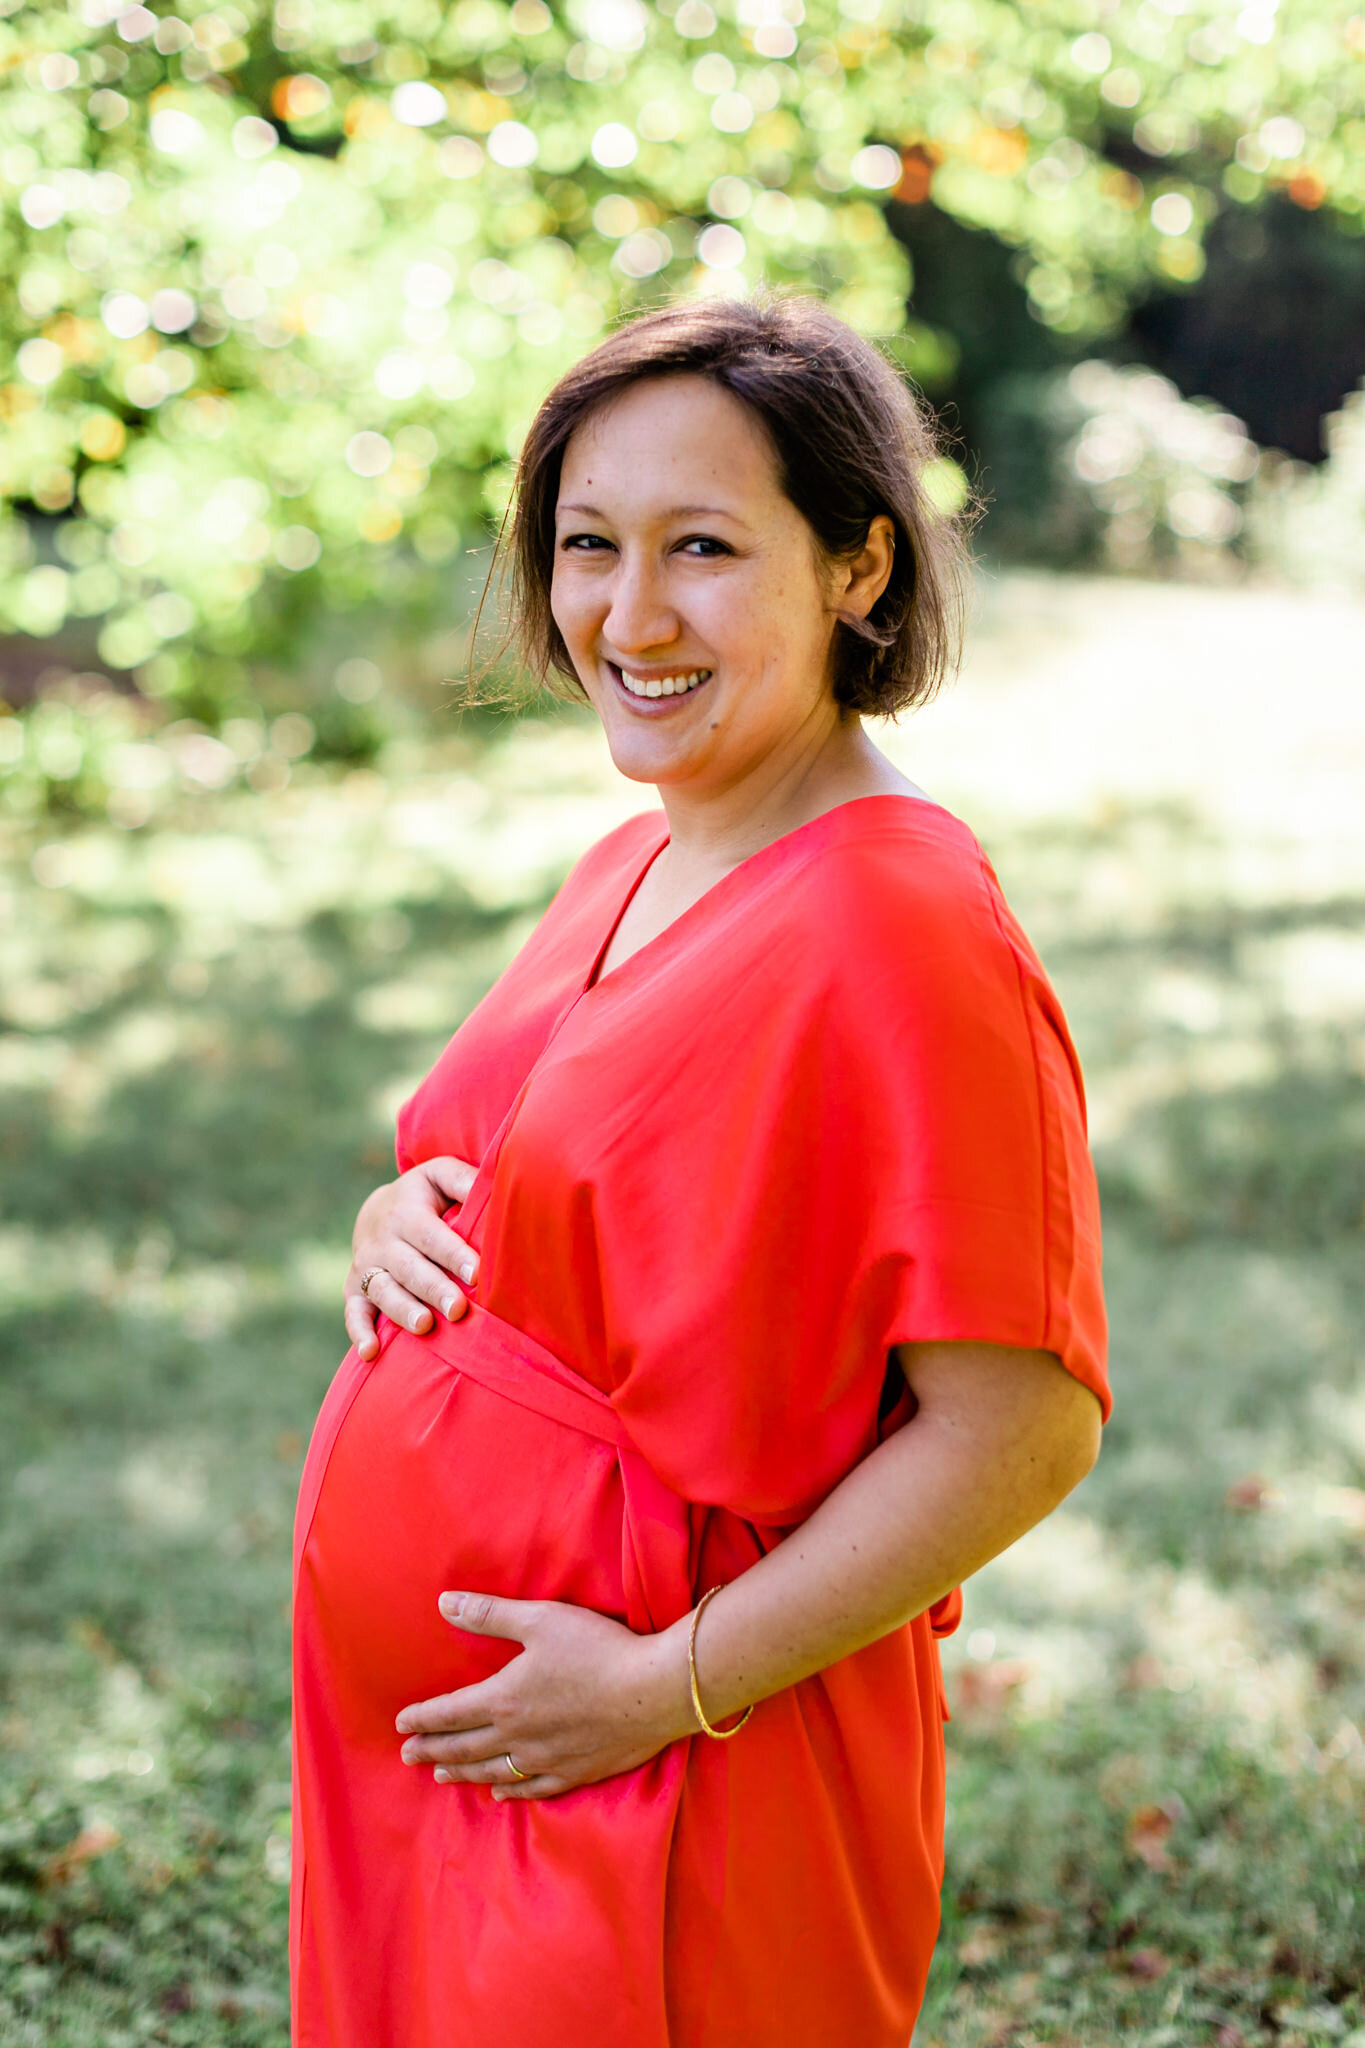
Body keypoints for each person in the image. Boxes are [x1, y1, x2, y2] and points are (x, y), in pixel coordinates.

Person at [290, 294, 1109, 2048]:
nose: (629, 616)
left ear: (857, 568)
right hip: (474, 1771)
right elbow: (555, 1174)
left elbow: (1019, 1420)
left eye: (705, 549)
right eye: (589, 546)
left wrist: (660, 1690)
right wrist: (402, 1221)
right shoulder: (632, 857)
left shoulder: (901, 924)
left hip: (679, 1779)